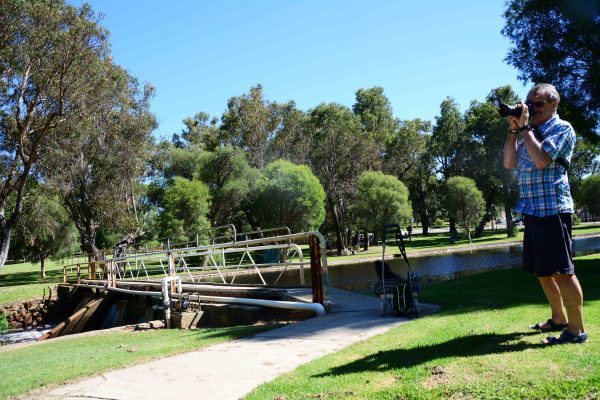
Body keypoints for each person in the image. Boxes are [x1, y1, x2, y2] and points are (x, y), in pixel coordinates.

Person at [503, 83, 587, 345]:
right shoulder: (530, 131)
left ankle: (576, 331)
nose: (532, 108)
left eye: (538, 104)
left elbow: (541, 160)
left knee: (562, 271)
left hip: (553, 209)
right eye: (529, 103)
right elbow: (509, 163)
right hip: (532, 210)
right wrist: (513, 131)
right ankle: (558, 318)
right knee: (543, 271)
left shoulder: (562, 129)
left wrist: (526, 129)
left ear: (554, 105)